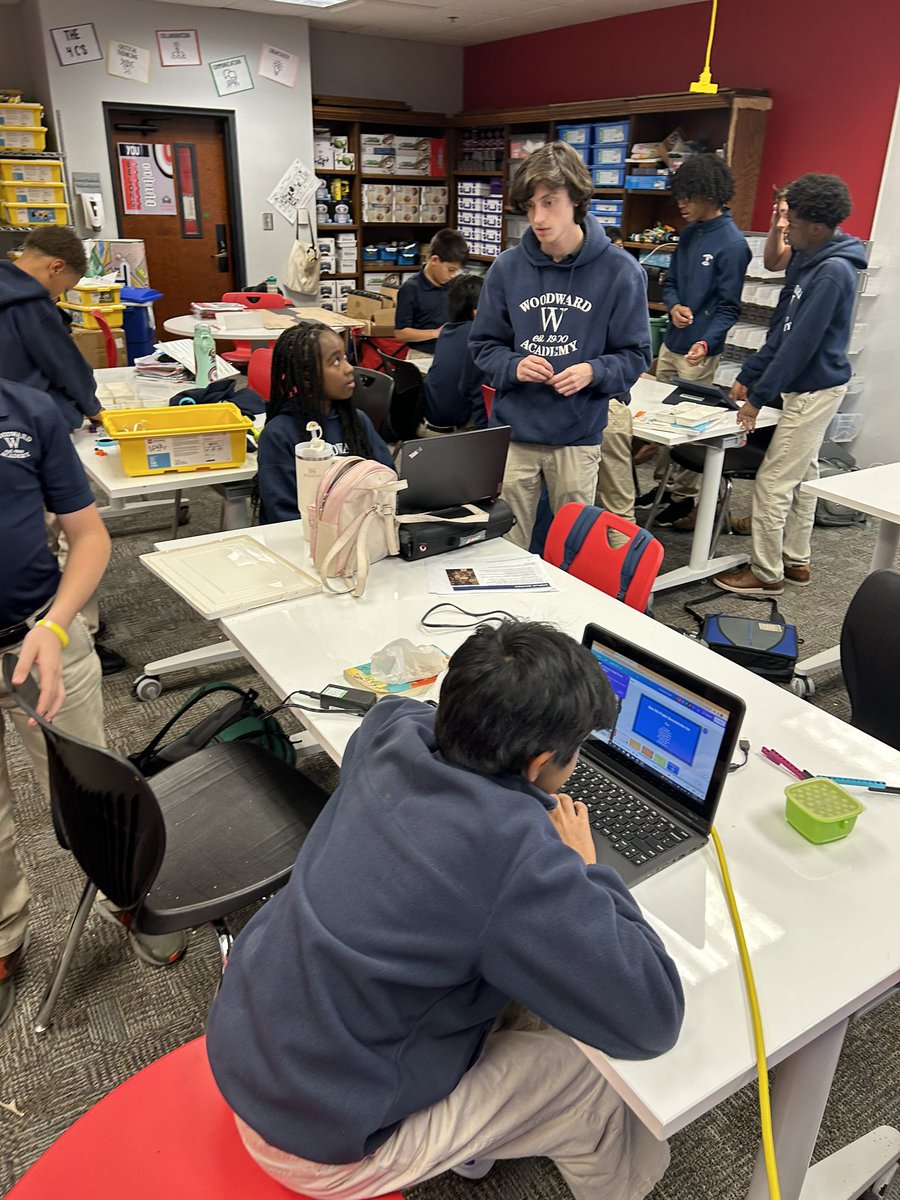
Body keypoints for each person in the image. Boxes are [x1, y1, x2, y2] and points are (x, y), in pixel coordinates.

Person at [207, 620, 683, 1200]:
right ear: (538, 764)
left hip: (256, 1043)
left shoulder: (390, 732)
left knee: (514, 972)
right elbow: (652, 1020)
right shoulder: (511, 860)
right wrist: (587, 869)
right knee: (602, 1082)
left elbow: (398, 724)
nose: (577, 766)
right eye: (576, 752)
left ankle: (471, 1135)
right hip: (318, 1140)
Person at [0, 379, 186, 1026]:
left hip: (43, 632)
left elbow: (88, 536)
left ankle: (127, 897)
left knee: (92, 792)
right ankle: (5, 940)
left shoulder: (27, 413)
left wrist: (53, 626)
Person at [469, 142, 651, 550]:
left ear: (577, 201)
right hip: (514, 433)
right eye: (531, 205)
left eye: (550, 202)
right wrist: (513, 365)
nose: (538, 217)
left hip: (577, 433)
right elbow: (483, 345)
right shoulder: (507, 268)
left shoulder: (621, 271)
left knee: (570, 546)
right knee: (504, 543)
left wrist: (594, 371)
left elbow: (636, 355)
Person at [714, 173, 867, 596]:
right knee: (803, 477)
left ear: (816, 227)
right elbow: (781, 331)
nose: (785, 228)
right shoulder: (808, 260)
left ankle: (767, 573)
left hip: (815, 390)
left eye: (792, 221)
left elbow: (799, 346)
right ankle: (797, 559)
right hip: (806, 386)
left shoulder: (833, 272)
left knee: (774, 481)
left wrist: (756, 400)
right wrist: (750, 373)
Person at [642, 154, 752, 528]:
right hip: (672, 341)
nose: (681, 204)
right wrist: (672, 307)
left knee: (686, 426)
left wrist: (706, 341)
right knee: (658, 421)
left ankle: (683, 496)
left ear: (709, 194)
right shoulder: (689, 234)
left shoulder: (733, 244)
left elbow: (728, 307)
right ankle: (662, 487)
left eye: (688, 196)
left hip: (698, 351)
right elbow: (670, 283)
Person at [257, 322, 394, 524]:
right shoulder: (279, 434)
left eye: (345, 357)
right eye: (335, 361)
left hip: (364, 533)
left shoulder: (357, 421)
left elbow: (388, 479)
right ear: (306, 377)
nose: (349, 369)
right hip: (305, 543)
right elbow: (283, 514)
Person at [0, 226, 100, 431]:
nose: (57, 298)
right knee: (67, 411)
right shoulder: (32, 305)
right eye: (64, 289)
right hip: (20, 417)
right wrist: (92, 407)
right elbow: (66, 365)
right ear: (56, 267)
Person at [419, 272, 487, 434]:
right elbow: (478, 391)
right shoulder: (477, 337)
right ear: (475, 311)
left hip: (427, 422)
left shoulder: (447, 331)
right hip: (456, 431)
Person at [394, 228, 468, 353]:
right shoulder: (410, 289)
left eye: (456, 271)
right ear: (435, 260)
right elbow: (401, 333)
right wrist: (435, 333)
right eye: (450, 270)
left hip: (453, 352)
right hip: (422, 355)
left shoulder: (455, 286)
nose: (453, 275)